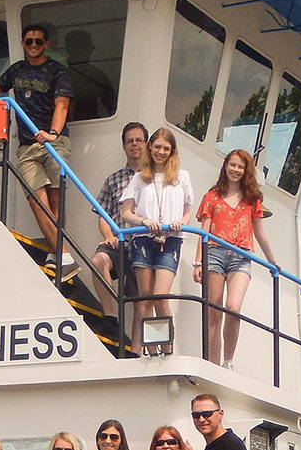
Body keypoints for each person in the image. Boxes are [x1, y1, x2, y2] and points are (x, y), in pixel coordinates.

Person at [0, 21, 76, 277]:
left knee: (56, 201)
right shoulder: (16, 71)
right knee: (38, 200)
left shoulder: (58, 72)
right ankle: (64, 255)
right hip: (27, 147)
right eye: (28, 41)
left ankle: (54, 252)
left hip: (53, 142)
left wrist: (52, 133)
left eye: (38, 41)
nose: (33, 45)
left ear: (46, 44)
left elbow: (62, 106)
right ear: (24, 44)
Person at [194, 149, 278, 369]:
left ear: (246, 170)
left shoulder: (252, 199)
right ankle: (212, 362)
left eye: (240, 166)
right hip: (214, 253)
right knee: (214, 312)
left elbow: (259, 232)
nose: (235, 170)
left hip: (241, 256)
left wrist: (272, 261)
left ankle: (228, 361)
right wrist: (197, 262)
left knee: (233, 307)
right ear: (225, 166)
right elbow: (204, 231)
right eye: (232, 165)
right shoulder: (211, 197)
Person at [119, 128, 193, 356]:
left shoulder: (182, 176)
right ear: (150, 147)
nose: (161, 152)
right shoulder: (139, 177)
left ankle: (167, 348)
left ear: (172, 151)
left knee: (160, 296)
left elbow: (188, 212)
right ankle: (150, 349)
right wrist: (144, 220)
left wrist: (180, 222)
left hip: (170, 240)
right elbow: (125, 212)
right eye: (157, 147)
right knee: (145, 299)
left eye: (166, 148)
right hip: (143, 239)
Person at [91, 122, 148, 327]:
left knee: (140, 302)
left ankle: (135, 351)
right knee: (98, 261)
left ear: (146, 144)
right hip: (118, 241)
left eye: (139, 140)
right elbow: (102, 214)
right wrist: (108, 236)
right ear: (124, 146)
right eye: (130, 141)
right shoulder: (113, 180)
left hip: (143, 244)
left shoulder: (155, 178)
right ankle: (111, 318)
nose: (134, 145)